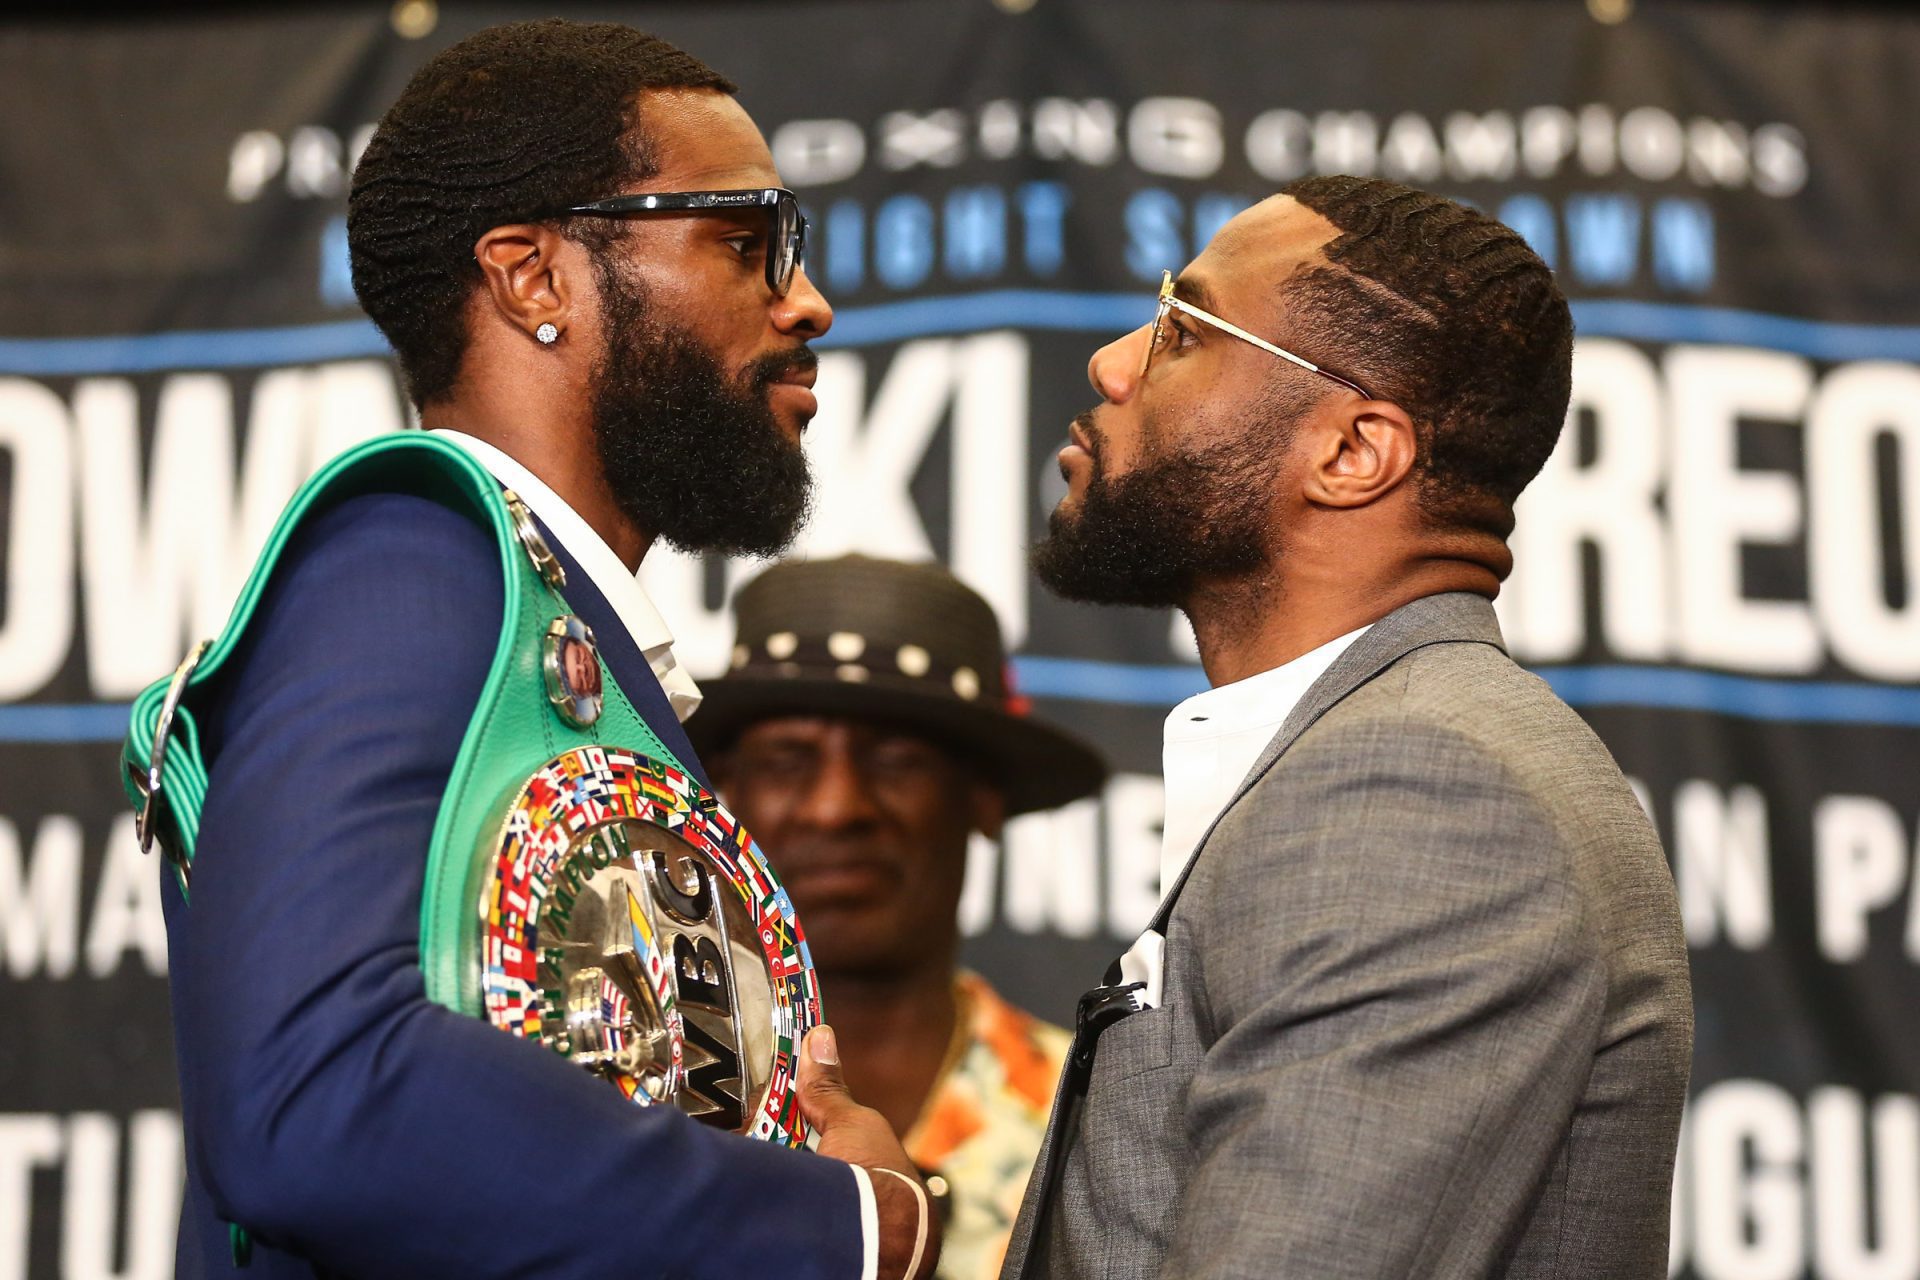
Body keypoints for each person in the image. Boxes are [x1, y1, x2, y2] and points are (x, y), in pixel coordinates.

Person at [145, 20, 931, 1280]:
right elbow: (317, 1090)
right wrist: (849, 1224)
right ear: (532, 277)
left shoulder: (550, 630)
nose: (806, 299)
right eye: (745, 240)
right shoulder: (409, 560)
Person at [1002, 176, 1693, 1279]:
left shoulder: (1422, 792)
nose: (1114, 363)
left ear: (1353, 451)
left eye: (1184, 329)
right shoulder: (1389, 752)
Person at [687, 555, 1108, 1280]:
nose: (837, 807)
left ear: (982, 798)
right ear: (726, 795)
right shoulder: (641, 1095)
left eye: (897, 760)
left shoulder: (1103, 1123)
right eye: (789, 759)